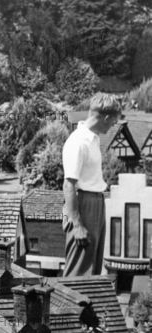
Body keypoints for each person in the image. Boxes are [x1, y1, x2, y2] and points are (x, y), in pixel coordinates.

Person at [62, 93, 122, 277]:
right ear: (105, 118)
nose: (114, 125)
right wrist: (77, 224)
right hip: (83, 204)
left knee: (92, 267)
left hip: (96, 202)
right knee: (79, 268)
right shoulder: (78, 141)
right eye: (113, 121)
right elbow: (69, 184)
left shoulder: (92, 139)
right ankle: (67, 306)